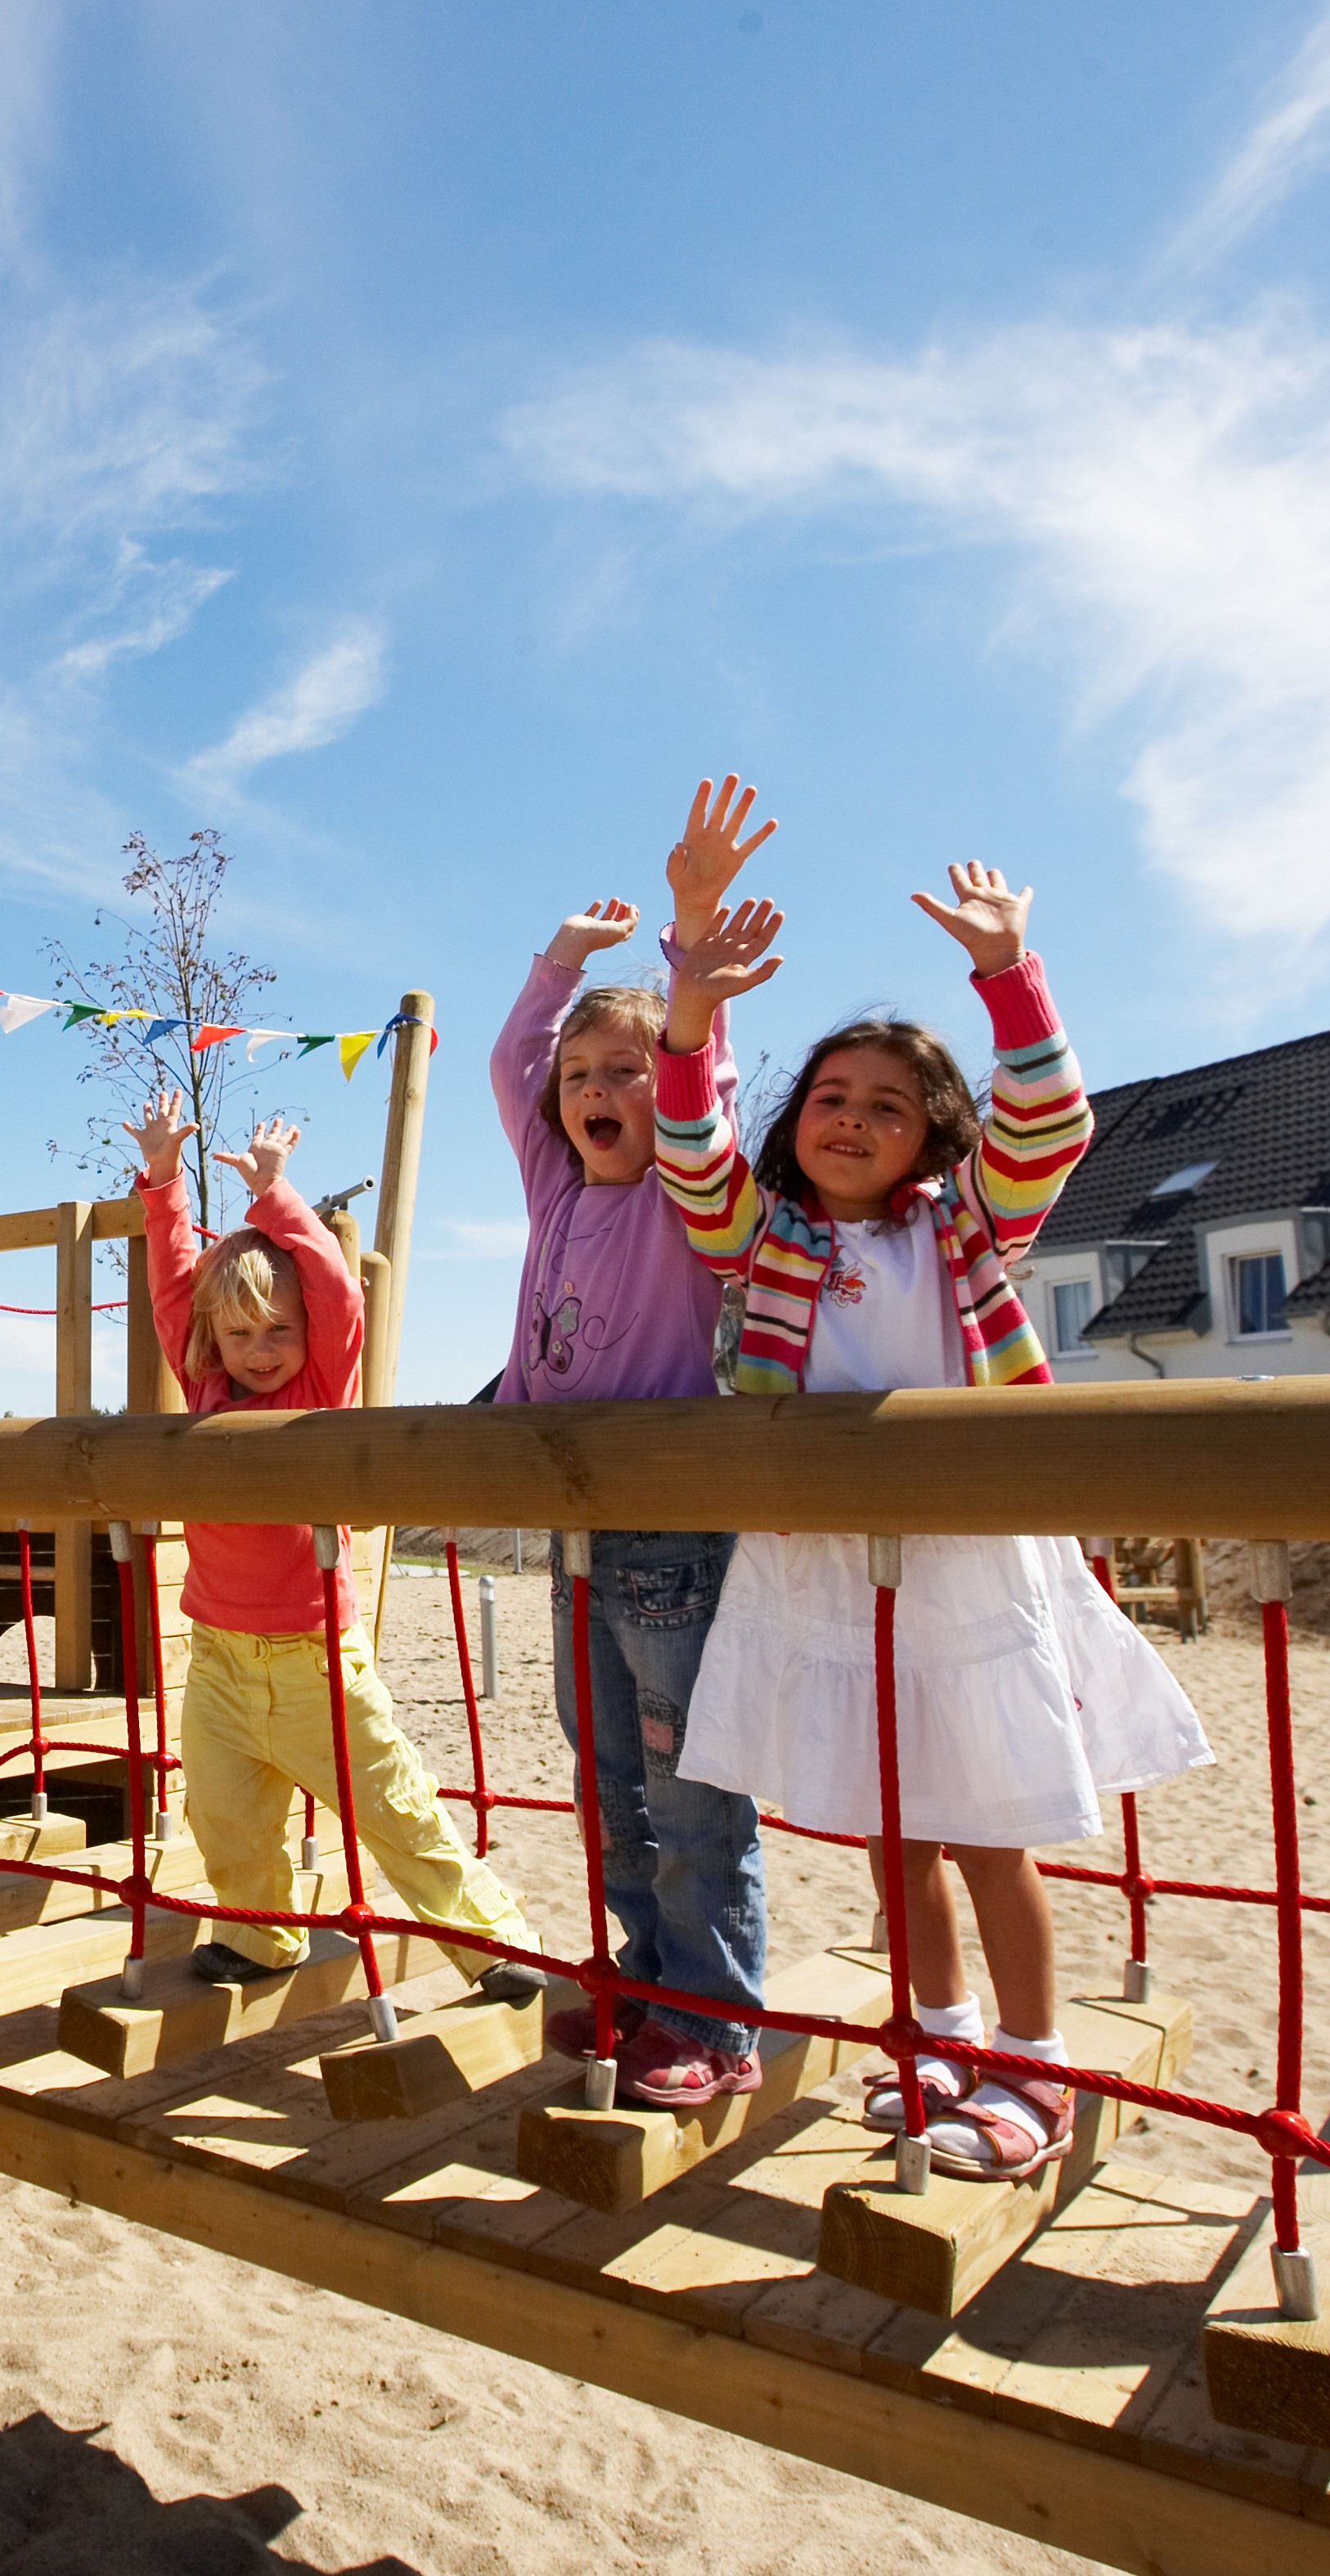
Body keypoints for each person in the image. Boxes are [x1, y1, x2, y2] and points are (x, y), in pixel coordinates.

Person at [649, 858, 1211, 2180]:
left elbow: (1052, 1124)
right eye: (830, 1098)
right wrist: (690, 1012)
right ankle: (938, 2040)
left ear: (932, 1135)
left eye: (886, 1106)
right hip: (835, 1570)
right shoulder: (772, 1240)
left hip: (960, 1564)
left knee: (986, 1828)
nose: (849, 1119)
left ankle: (1032, 2066)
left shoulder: (957, 1232)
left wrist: (1008, 971)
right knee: (889, 1829)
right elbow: (691, 1160)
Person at [488, 774, 777, 2108]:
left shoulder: (676, 1186)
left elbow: (690, 1082)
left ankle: (711, 2020)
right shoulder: (557, 1183)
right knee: (603, 1768)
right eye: (581, 1076)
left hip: (674, 1523)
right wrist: (558, 961)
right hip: (579, 1527)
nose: (599, 1089)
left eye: (623, 1073)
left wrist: (685, 940)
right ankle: (641, 1977)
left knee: (687, 1783)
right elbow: (510, 1063)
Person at [130, 1092, 542, 2001]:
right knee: (225, 1814)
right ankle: (260, 1935)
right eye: (241, 1333)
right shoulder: (207, 1392)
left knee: (395, 1807)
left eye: (279, 1329)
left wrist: (278, 1195)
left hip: (318, 1657)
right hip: (220, 1663)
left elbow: (336, 1287)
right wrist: (162, 1183)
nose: (262, 1348)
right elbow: (172, 1289)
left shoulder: (321, 1385)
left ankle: (491, 1940)